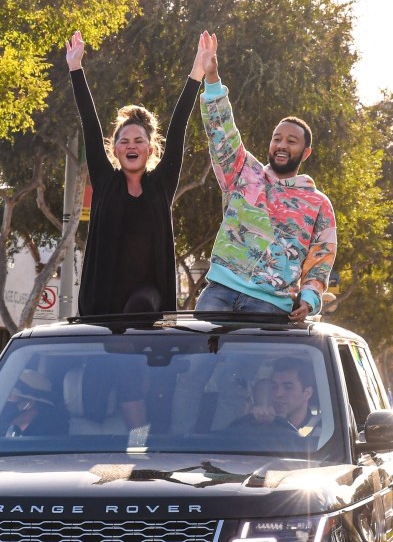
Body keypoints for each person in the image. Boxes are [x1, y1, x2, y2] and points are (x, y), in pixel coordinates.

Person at [195, 32, 337, 322]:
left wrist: (309, 300)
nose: (282, 145)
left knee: (250, 369)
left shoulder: (318, 204)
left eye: (291, 141)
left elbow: (321, 260)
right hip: (219, 292)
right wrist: (212, 79)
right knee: (197, 366)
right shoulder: (245, 172)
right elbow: (222, 133)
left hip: (270, 305)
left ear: (305, 152)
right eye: (277, 138)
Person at [66, 31, 205, 315]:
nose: (131, 146)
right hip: (103, 297)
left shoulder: (161, 185)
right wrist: (75, 68)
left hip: (147, 297)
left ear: (150, 149)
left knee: (141, 306)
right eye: (124, 141)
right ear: (115, 150)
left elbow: (178, 126)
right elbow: (90, 125)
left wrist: (197, 72)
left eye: (138, 141)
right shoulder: (105, 183)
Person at [251, 358, 317, 434]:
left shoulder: (324, 430)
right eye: (274, 386)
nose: (278, 394)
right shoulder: (260, 427)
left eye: (288, 387)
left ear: (307, 393)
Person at [1, 369, 69, 437]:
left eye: (10, 396)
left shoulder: (46, 430)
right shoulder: (7, 418)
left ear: (29, 403)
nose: (6, 399)